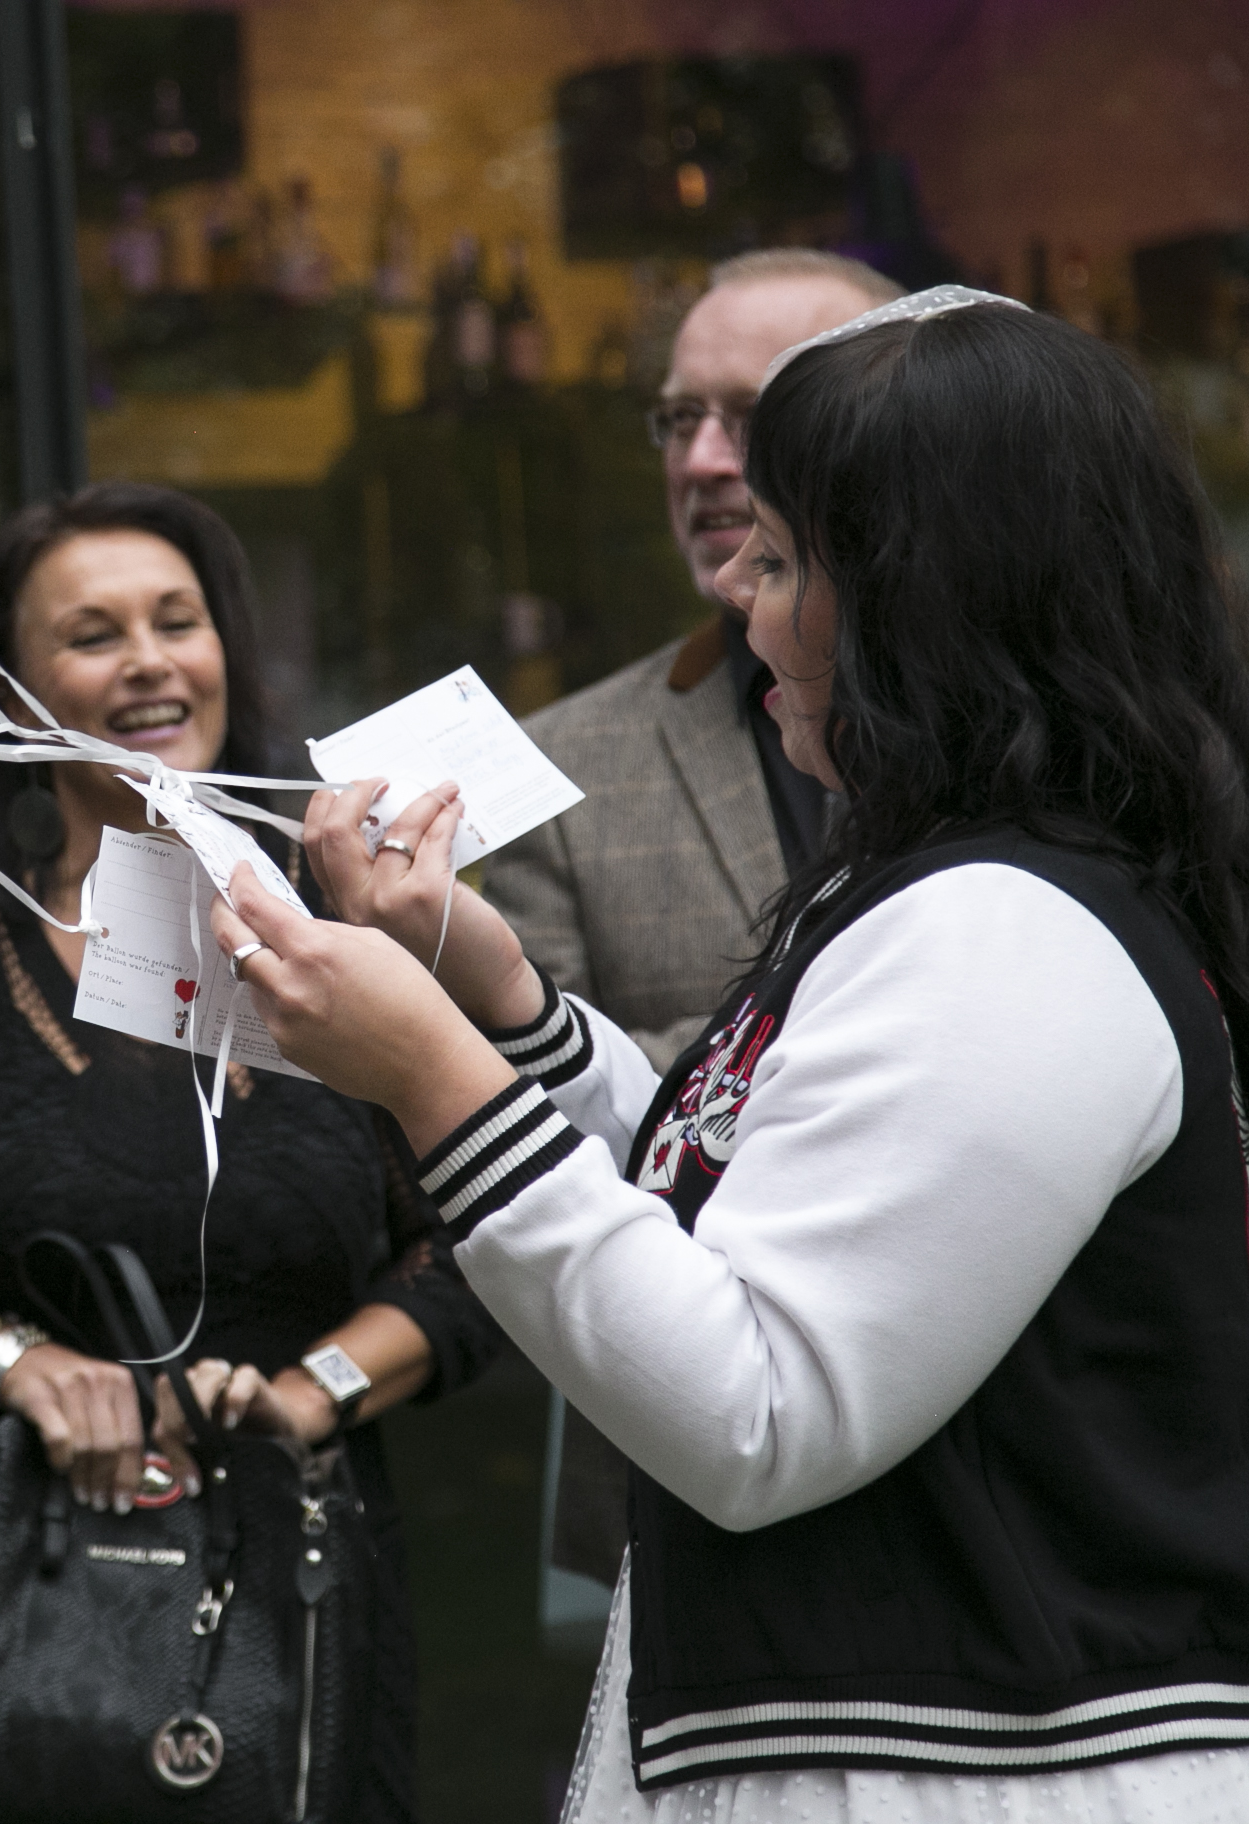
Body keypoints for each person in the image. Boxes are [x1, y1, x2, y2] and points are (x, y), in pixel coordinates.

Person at [208, 295, 1249, 1817]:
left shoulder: (1004, 931)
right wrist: (499, 1003)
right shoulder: (971, 878)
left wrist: (433, 1076)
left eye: (777, 558)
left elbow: (758, 1406)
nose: (736, 595)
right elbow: (766, 1200)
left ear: (922, 603)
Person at [0, 482, 504, 1821]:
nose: (149, 662)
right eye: (93, 634)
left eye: (178, 621)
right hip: (14, 1595)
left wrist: (306, 1399)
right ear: (17, 691)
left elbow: (478, 1241)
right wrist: (13, 1362)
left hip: (303, 1577)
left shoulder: (343, 924)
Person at [482, 250, 899, 1590]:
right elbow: (524, 1138)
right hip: (684, 1492)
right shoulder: (557, 767)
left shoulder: (1039, 750)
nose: (708, 461)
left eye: (758, 414)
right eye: (679, 419)